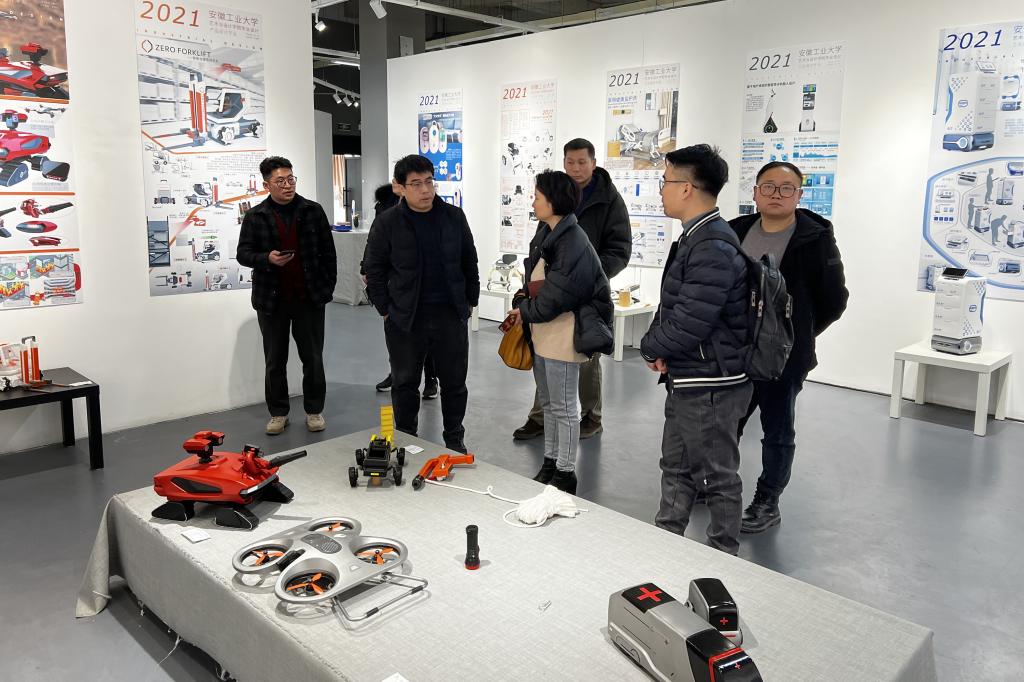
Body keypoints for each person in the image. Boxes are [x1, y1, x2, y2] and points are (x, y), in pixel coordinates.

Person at [639, 144, 752, 555]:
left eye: (665, 181)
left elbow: (690, 321)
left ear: (686, 188)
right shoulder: (697, 237)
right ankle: (666, 542)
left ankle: (723, 557)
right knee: (675, 465)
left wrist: (649, 347)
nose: (661, 191)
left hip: (711, 384)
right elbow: (675, 306)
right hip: (690, 377)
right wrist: (659, 345)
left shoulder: (712, 246)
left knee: (717, 476)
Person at [729, 161, 848, 533]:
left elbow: (834, 299)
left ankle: (767, 500)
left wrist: (795, 335)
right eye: (768, 186)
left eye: (786, 188)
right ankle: (717, 480)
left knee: (777, 431)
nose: (776, 194)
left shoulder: (814, 238)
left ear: (799, 195)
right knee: (727, 422)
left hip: (782, 356)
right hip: (733, 350)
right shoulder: (736, 230)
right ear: (755, 193)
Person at [513, 138, 631, 441]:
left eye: (582, 162)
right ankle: (540, 416)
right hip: (554, 290)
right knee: (546, 355)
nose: (576, 168)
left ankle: (591, 416)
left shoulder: (609, 199)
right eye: (570, 162)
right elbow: (540, 246)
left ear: (594, 163)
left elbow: (620, 250)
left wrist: (587, 275)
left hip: (586, 295)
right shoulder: (557, 195)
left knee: (586, 357)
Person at [362, 155, 479, 452]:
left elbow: (469, 260)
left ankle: (454, 438)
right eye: (416, 184)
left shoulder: (454, 217)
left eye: (429, 181)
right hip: (405, 317)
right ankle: (406, 437)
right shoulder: (387, 222)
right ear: (400, 187)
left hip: (450, 313)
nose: (425, 190)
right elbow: (373, 269)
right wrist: (385, 309)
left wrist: (470, 302)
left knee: (455, 382)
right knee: (404, 383)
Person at [508, 170, 613, 494]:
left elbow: (557, 296)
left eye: (537, 196)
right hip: (544, 331)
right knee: (551, 403)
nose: (533, 202)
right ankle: (551, 462)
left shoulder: (573, 241)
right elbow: (537, 280)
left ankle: (566, 473)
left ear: (553, 201)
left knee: (565, 407)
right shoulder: (551, 232)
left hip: (563, 334)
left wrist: (524, 310)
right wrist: (524, 300)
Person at [236, 156, 337, 435]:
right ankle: (278, 413)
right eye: (280, 181)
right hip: (272, 300)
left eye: (291, 179)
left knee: (313, 358)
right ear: (266, 185)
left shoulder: (313, 211)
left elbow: (329, 253)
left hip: (309, 298)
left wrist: (327, 287)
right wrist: (266, 258)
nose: (287, 185)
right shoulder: (256, 216)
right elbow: (243, 254)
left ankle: (314, 410)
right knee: (275, 360)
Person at [367, 182, 438, 399]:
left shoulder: (425, 205)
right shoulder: (384, 205)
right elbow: (374, 240)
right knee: (397, 337)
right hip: (395, 284)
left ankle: (431, 379)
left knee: (426, 335)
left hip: (421, 284)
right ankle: (397, 373)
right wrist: (366, 268)